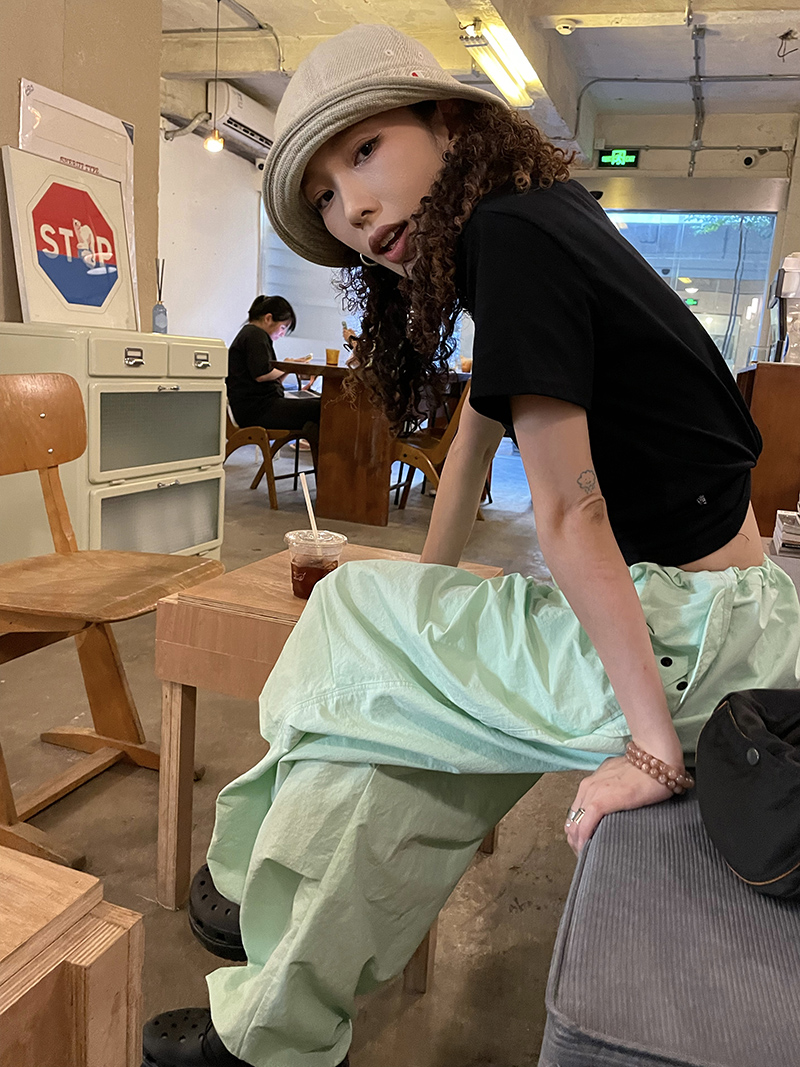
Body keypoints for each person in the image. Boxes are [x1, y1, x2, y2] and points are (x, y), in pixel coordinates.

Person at [143, 24, 800, 1067]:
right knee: (392, 743)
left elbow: (569, 511)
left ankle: (238, 874)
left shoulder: (509, 235)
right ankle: (274, 1026)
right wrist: (426, 611)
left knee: (346, 612)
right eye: (324, 195)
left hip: (693, 642)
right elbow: (468, 450)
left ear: (449, 122)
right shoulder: (540, 218)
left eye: (364, 151)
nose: (354, 210)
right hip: (735, 623)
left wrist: (651, 755)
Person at [226, 295, 320, 455]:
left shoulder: (251, 334)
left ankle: (319, 454)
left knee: (321, 406)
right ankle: (328, 461)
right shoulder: (255, 334)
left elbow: (270, 379)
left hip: (255, 408)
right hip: (258, 411)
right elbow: (262, 375)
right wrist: (288, 366)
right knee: (323, 408)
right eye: (283, 327)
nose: (282, 334)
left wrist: (288, 368)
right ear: (268, 318)